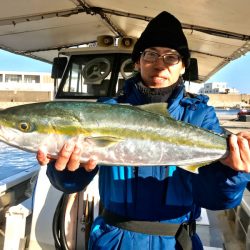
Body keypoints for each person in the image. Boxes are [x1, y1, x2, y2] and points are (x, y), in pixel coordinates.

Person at [37, 11, 250, 250]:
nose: (160, 64)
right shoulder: (107, 111)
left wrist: (233, 173)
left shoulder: (199, 115)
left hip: (177, 243)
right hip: (114, 240)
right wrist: (65, 172)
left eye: (171, 57)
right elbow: (69, 185)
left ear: (183, 67)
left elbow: (217, 199)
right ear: (137, 62)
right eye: (151, 55)